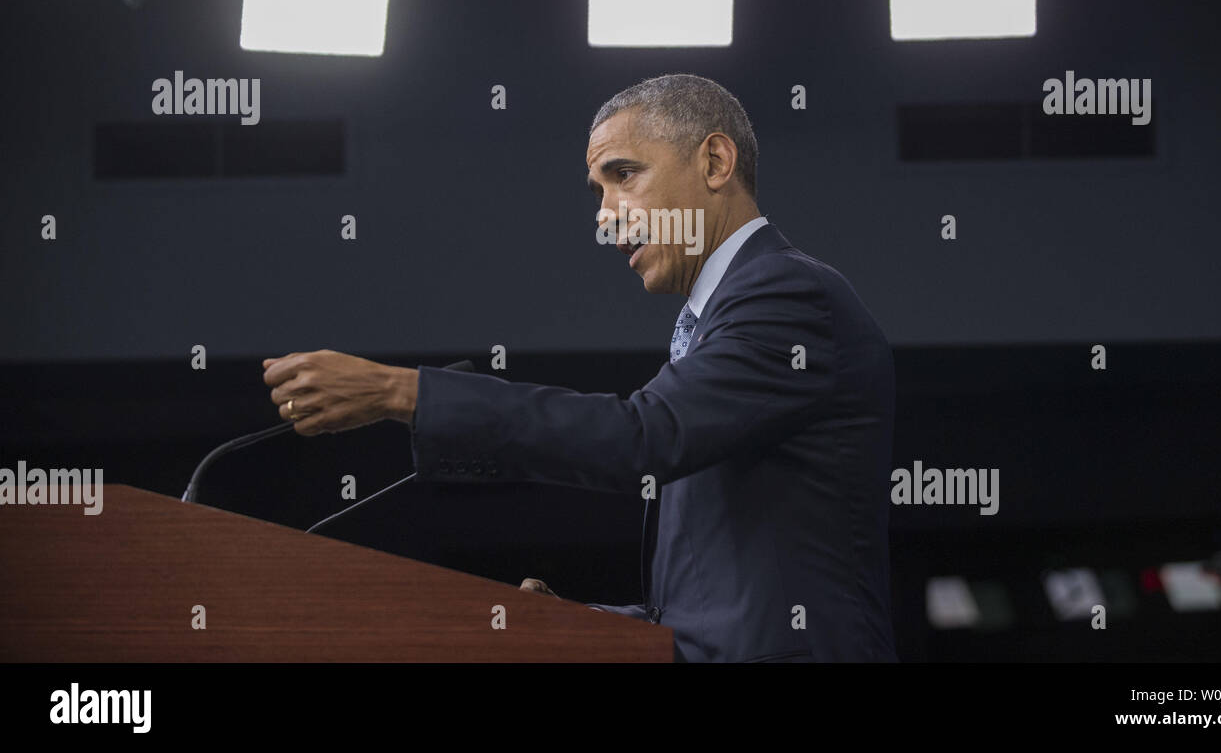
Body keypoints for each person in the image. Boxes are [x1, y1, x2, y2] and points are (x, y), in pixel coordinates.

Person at [262, 73, 897, 662]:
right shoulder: (722, 321)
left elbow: (642, 436)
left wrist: (401, 391)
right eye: (599, 190)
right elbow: (710, 615)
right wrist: (580, 623)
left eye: (625, 174)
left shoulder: (786, 295)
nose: (605, 213)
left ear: (714, 162)